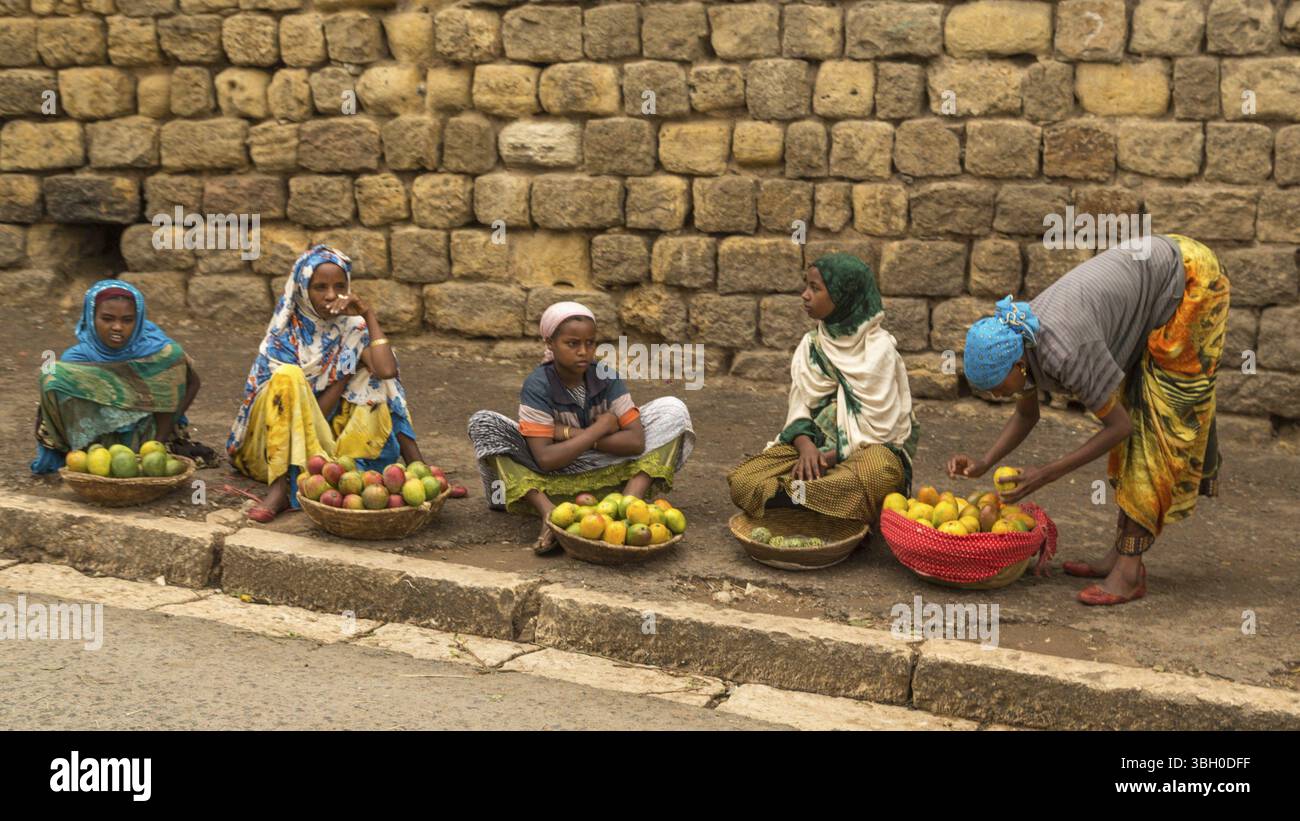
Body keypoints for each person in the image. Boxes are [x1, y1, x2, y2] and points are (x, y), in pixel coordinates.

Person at [950, 233, 1228, 606]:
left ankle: (1129, 572)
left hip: (1191, 283)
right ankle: (1120, 555)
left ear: (1017, 364)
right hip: (1158, 267)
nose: (997, 396)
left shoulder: (1065, 351)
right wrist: (985, 462)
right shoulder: (1022, 336)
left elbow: (1119, 427)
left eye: (997, 388)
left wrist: (1046, 473)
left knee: (1153, 430)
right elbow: (1026, 413)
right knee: (1138, 417)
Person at [468, 301, 695, 554]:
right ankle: (549, 514)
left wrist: (569, 433)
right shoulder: (538, 385)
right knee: (484, 423)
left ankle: (628, 504)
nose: (583, 351)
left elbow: (636, 442)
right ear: (550, 344)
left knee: (672, 411)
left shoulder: (606, 376)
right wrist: (599, 429)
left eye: (590, 343)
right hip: (550, 476)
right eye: (572, 343)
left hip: (605, 464)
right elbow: (545, 459)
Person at [227, 245, 424, 522]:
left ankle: (418, 467)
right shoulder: (285, 335)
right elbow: (305, 417)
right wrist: (343, 374)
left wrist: (367, 316)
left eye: (340, 286)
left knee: (374, 372)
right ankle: (279, 488)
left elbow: (387, 370)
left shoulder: (351, 327)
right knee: (288, 377)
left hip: (320, 451)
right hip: (268, 451)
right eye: (320, 287)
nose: (332, 295)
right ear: (302, 289)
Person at [727, 253, 918, 525]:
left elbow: (882, 431)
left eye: (815, 289)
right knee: (745, 480)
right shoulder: (812, 344)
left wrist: (827, 459)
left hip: (862, 455)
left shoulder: (879, 350)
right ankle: (824, 505)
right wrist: (807, 451)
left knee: (880, 474)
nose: (805, 295)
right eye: (806, 286)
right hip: (812, 448)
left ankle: (798, 502)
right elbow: (799, 407)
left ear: (844, 296)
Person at [31, 279, 212, 473]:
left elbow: (193, 382)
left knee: (170, 360)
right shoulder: (78, 357)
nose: (117, 327)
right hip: (94, 441)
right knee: (53, 376)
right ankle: (78, 451)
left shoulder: (158, 352)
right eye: (107, 319)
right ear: (91, 318)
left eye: (127, 320)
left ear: (139, 319)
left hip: (147, 434)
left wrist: (157, 444)